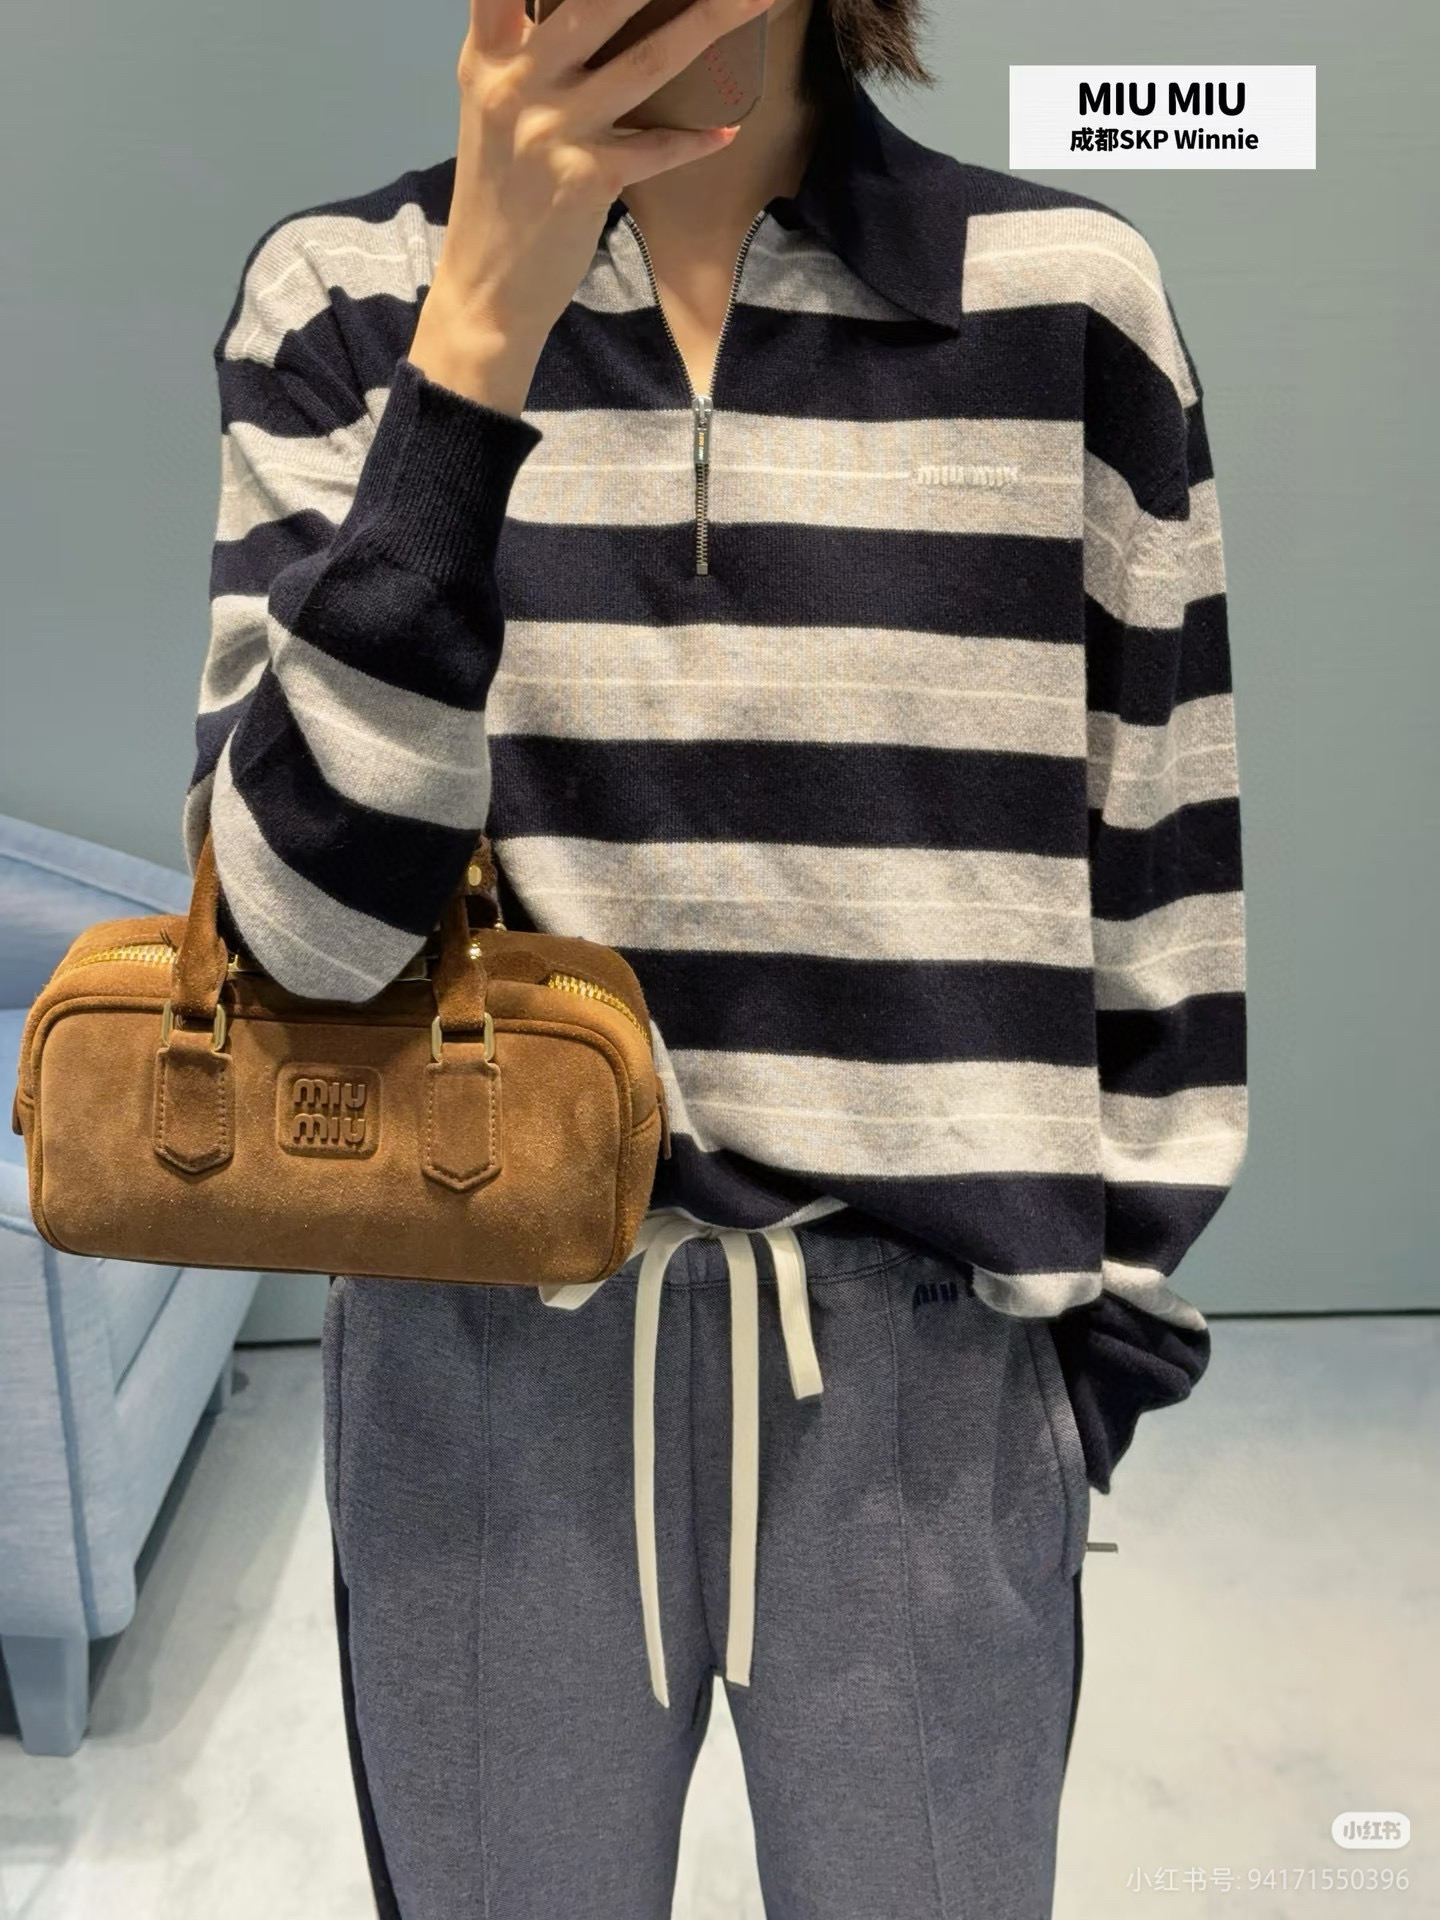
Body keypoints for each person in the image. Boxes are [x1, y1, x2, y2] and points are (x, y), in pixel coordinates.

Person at [186, 0, 1249, 1913]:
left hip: (929, 1386)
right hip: (478, 1362)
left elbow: (1158, 882)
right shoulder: (343, 305)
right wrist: (475, 344)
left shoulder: (1065, 309)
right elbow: (300, 946)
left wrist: (1088, 1364)